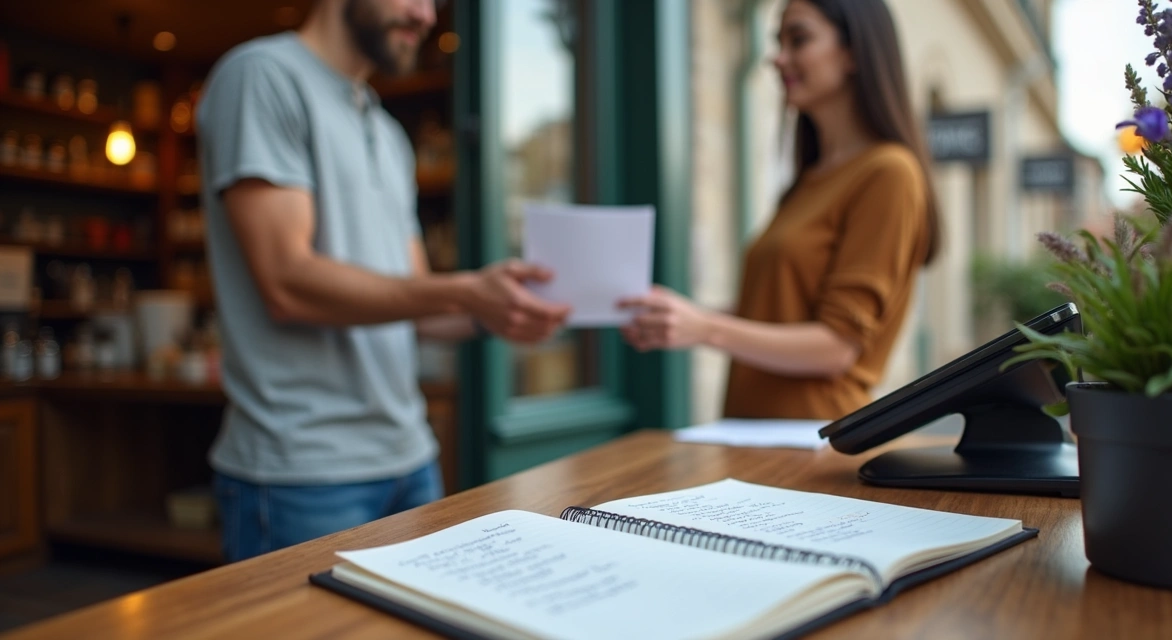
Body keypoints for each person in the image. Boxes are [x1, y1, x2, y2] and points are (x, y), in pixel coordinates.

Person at [196, 0, 569, 562]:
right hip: (303, 471)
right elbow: (287, 283)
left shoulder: (388, 132)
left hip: (410, 459)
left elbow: (413, 301)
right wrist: (466, 288)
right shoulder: (261, 76)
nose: (426, 16)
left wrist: (500, 309)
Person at [620, 0, 940, 421]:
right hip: (751, 434)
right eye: (777, 42)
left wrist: (706, 328)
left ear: (853, 52)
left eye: (799, 39)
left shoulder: (889, 172)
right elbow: (775, 311)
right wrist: (682, 316)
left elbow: (836, 348)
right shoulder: (808, 182)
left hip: (812, 440)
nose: (777, 58)